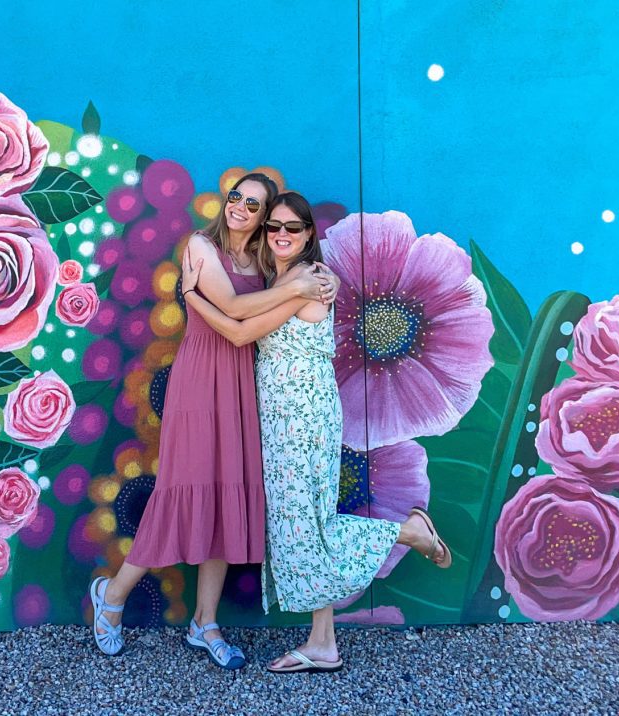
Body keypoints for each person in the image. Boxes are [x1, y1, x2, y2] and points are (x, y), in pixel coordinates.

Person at [180, 191, 453, 674]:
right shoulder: (287, 280)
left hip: (300, 419)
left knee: (308, 525)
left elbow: (240, 330)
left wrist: (190, 298)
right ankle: (323, 641)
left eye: (292, 228)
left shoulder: (309, 281)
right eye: (274, 227)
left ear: (308, 236)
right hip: (285, 416)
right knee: (303, 524)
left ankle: (408, 531)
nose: (281, 235)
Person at [89, 174, 340, 669]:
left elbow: (275, 304)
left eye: (254, 204)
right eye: (236, 198)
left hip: (243, 384)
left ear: (267, 218)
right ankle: (112, 596)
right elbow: (232, 309)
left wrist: (317, 279)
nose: (241, 208)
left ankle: (205, 623)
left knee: (227, 497)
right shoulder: (201, 247)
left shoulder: (265, 260)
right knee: (181, 491)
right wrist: (295, 286)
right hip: (202, 379)